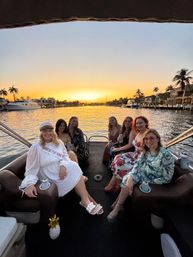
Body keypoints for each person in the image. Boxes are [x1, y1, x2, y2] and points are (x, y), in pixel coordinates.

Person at [19, 122, 103, 236]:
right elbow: (30, 169)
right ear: (41, 133)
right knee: (76, 171)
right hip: (48, 176)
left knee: (73, 167)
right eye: (45, 131)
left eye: (49, 130)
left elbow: (65, 156)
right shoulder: (35, 148)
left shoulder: (58, 143)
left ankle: (85, 201)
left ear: (53, 131)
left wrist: (63, 165)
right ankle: (86, 200)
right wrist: (30, 184)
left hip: (60, 171)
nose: (48, 133)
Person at [107, 129, 175, 222]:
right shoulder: (146, 151)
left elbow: (167, 177)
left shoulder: (165, 154)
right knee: (128, 177)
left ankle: (117, 206)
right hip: (143, 174)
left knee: (130, 177)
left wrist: (147, 182)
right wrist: (131, 177)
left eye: (151, 138)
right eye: (146, 139)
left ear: (158, 139)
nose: (148, 140)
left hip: (156, 179)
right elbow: (137, 165)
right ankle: (119, 204)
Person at [104, 116, 149, 192]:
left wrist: (117, 148)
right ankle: (116, 182)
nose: (138, 125)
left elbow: (132, 145)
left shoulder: (148, 134)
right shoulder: (138, 132)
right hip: (135, 154)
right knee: (117, 157)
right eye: (137, 123)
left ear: (146, 123)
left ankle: (113, 183)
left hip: (141, 158)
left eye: (141, 123)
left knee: (120, 162)